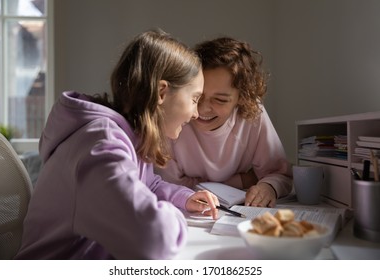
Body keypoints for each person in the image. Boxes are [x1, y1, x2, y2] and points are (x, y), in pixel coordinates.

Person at [15, 29, 219, 260]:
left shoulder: (128, 137)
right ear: (162, 92)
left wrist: (183, 198)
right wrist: (175, 216)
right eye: (194, 99)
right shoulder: (101, 146)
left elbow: (146, 186)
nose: (195, 113)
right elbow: (153, 239)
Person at [155, 37, 292, 208]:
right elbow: (166, 184)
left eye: (220, 100)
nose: (202, 110)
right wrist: (243, 180)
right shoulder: (177, 117)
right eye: (197, 97)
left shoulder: (252, 113)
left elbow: (279, 173)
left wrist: (268, 187)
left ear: (241, 98)